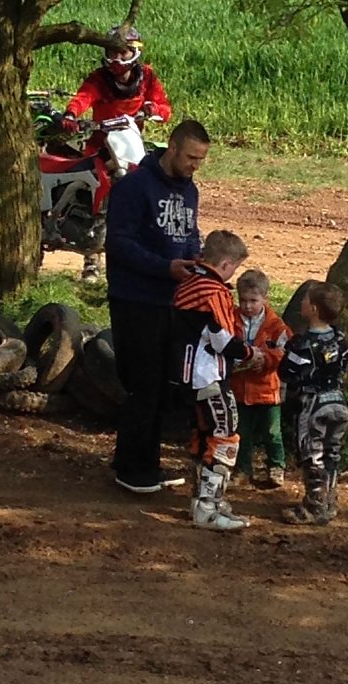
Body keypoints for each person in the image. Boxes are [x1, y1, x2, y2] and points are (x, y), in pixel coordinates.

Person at [105, 119, 210, 494]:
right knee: (143, 385)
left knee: (163, 387)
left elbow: (188, 235)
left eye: (201, 160)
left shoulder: (190, 191)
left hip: (172, 300)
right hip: (136, 299)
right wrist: (165, 268)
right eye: (191, 157)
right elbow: (119, 243)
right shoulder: (134, 187)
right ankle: (132, 469)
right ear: (172, 147)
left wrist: (199, 264)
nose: (195, 166)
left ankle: (145, 464)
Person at [62, 26, 172, 282]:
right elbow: (83, 97)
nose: (117, 60)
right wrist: (70, 115)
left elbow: (166, 109)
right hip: (100, 144)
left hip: (130, 146)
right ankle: (91, 260)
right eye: (112, 53)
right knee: (95, 200)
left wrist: (153, 108)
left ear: (134, 52)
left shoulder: (147, 77)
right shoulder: (99, 78)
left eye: (122, 53)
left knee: (147, 192)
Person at [173, 231, 264, 531]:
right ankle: (208, 508)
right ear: (226, 264)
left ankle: (200, 500)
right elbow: (223, 339)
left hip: (187, 376)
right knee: (225, 436)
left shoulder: (188, 283)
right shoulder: (214, 292)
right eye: (234, 268)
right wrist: (252, 353)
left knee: (203, 436)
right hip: (209, 375)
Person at [279, 280, 348, 525]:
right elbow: (345, 365)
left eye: (306, 301)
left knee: (313, 455)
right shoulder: (341, 338)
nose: (301, 303)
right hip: (338, 401)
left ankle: (314, 506)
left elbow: (286, 372)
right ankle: (330, 501)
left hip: (312, 404)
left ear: (314, 310)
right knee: (332, 452)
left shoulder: (301, 345)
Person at [230, 269, 292, 487]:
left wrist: (265, 360)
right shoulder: (231, 319)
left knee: (272, 432)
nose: (247, 306)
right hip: (239, 389)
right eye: (243, 300)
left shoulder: (276, 326)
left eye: (253, 301)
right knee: (241, 432)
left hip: (267, 389)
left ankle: (276, 466)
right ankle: (242, 469)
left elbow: (285, 351)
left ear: (265, 298)